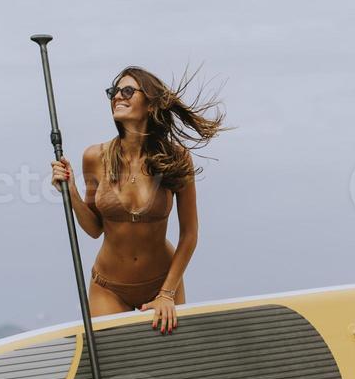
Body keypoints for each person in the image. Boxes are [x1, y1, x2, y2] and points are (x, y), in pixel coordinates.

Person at [50, 66, 225, 333]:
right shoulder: (94, 157)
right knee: (113, 370)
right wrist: (70, 191)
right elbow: (95, 229)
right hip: (108, 287)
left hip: (162, 283)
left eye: (128, 90)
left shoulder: (176, 159)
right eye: (114, 91)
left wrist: (167, 293)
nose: (118, 96)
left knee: (168, 369)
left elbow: (189, 234)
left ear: (151, 103)